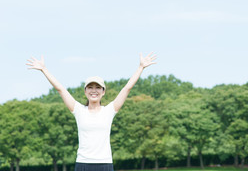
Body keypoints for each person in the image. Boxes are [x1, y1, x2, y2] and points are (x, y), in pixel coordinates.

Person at [26, 52, 157, 171]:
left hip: (105, 164)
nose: (94, 90)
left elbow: (127, 88)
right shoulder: (78, 110)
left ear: (103, 91)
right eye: (90, 87)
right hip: (83, 163)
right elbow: (60, 89)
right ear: (85, 91)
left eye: (97, 87)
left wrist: (141, 67)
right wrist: (44, 69)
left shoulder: (109, 111)